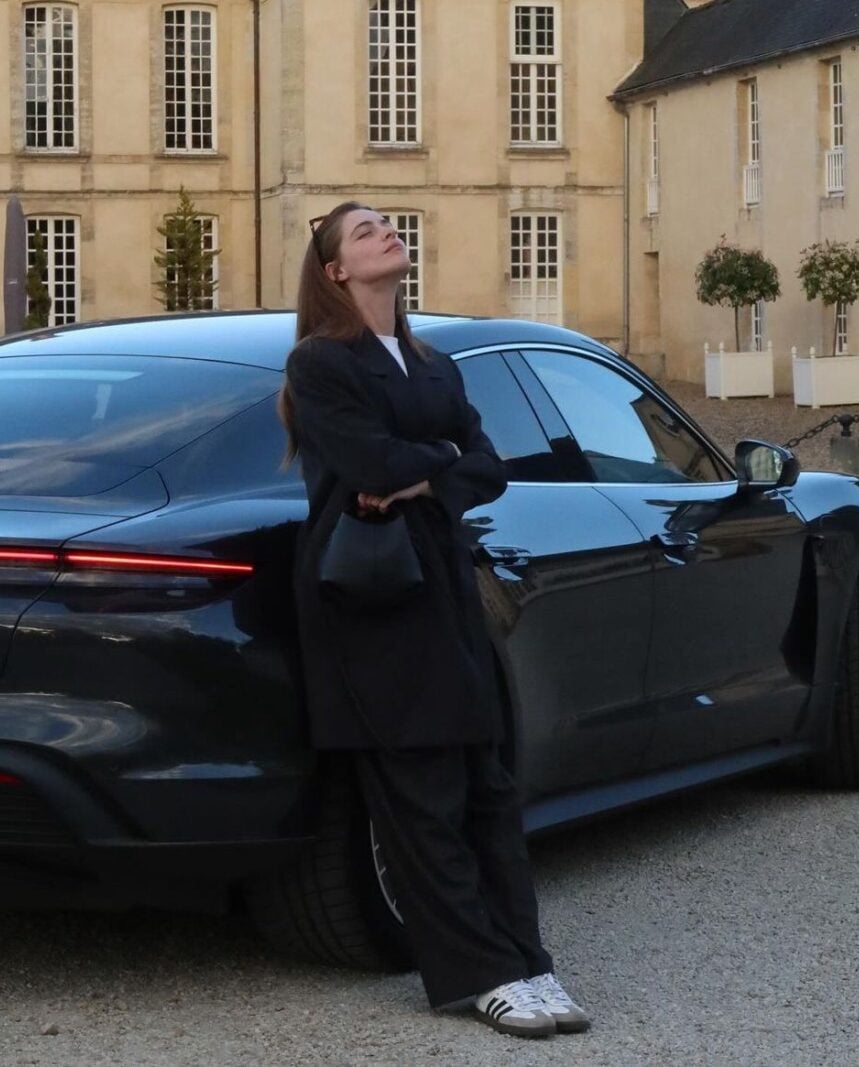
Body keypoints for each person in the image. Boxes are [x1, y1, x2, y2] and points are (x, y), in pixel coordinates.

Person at [276, 201, 590, 1040]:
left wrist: (431, 471)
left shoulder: (432, 361)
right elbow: (370, 463)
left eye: (387, 223)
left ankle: (528, 958)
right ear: (336, 271)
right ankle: (481, 975)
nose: (384, 232)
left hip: (445, 586)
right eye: (363, 231)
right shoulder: (319, 362)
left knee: (488, 783)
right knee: (422, 796)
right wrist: (436, 464)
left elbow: (490, 467)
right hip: (372, 592)